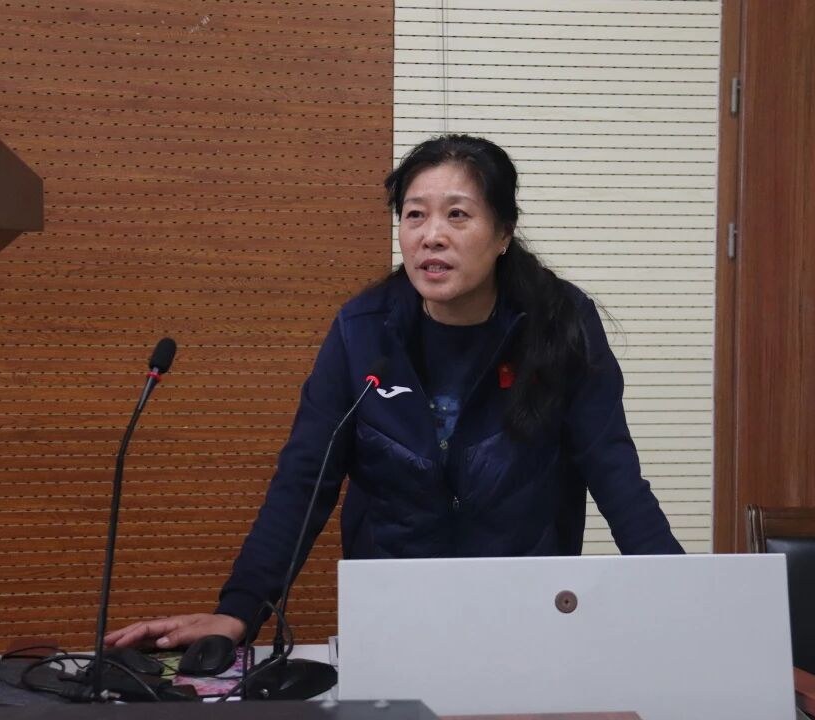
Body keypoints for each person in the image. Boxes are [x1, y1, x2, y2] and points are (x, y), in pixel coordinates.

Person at [105, 134, 683, 651]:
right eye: (414, 215)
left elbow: (613, 470)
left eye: (458, 215)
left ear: (504, 232)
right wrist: (239, 610)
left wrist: (683, 598)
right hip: (394, 612)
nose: (432, 236)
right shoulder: (363, 331)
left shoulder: (560, 324)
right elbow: (304, 478)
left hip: (527, 608)